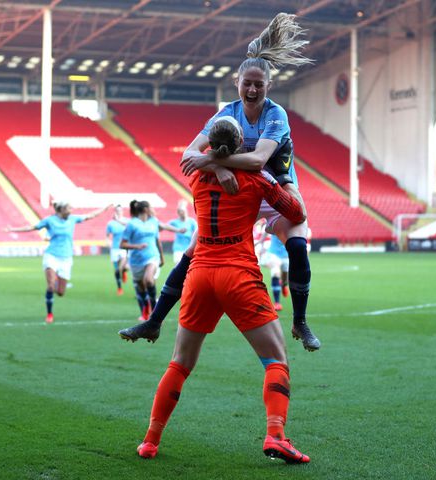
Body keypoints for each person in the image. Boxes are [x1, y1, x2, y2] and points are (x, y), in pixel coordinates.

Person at [119, 12, 320, 352]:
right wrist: (218, 168)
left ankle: (300, 321)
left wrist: (214, 160)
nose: (253, 89)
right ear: (237, 83)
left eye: (259, 84)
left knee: (297, 246)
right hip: (239, 193)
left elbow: (257, 162)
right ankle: (154, 321)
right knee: (192, 253)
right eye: (248, 83)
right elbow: (188, 153)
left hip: (274, 191)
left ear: (269, 87)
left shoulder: (276, 115)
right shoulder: (226, 112)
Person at [133, 116, 310, 463]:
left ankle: (150, 441)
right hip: (238, 275)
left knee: (180, 363)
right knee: (276, 359)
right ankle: (276, 435)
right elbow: (296, 211)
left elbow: (203, 159)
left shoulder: (198, 177)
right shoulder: (255, 178)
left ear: (209, 146)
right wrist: (285, 183)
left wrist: (215, 161)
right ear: (242, 141)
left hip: (199, 276)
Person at [5, 200, 110, 323]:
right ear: (61, 210)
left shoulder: (73, 219)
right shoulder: (50, 220)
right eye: (69, 208)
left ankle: (55, 283)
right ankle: (49, 314)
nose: (71, 210)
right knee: (50, 286)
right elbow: (32, 227)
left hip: (66, 258)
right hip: (51, 255)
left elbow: (90, 216)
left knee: (60, 292)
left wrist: (104, 208)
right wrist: (13, 229)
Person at [120, 200, 185, 321]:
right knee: (141, 288)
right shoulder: (132, 224)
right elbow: (122, 244)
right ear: (145, 209)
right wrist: (137, 246)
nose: (152, 209)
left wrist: (178, 230)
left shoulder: (153, 222)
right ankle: (145, 308)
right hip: (136, 261)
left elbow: (164, 228)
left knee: (149, 280)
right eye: (150, 207)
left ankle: (155, 312)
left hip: (152, 257)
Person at [259, 233, 290, 311]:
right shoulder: (274, 221)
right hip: (274, 254)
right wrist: (261, 242)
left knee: (285, 278)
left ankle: (283, 284)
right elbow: (266, 230)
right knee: (275, 273)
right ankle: (277, 303)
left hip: (286, 255)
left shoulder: (290, 223)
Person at [106, 205, 131, 296]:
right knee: (116, 270)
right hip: (114, 248)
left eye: (120, 210)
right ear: (114, 211)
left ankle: (124, 271)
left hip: (124, 247)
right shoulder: (110, 224)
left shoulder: (126, 221)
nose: (118, 212)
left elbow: (129, 227)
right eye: (117, 210)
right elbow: (108, 235)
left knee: (122, 267)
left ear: (122, 211)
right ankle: (119, 288)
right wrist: (108, 243)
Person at [168, 200, 197, 264]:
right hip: (178, 248)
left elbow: (196, 231)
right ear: (178, 213)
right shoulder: (175, 222)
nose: (183, 213)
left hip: (189, 247)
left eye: (184, 211)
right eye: (181, 212)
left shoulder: (191, 221)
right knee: (178, 264)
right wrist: (177, 230)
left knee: (188, 265)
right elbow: (166, 227)